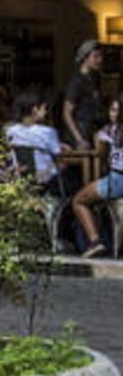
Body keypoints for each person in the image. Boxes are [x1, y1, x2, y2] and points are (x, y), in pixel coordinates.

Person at [4, 87, 105, 256]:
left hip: (24, 183)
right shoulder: (47, 132)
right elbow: (61, 162)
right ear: (35, 109)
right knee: (79, 185)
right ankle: (80, 238)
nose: (45, 113)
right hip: (48, 184)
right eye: (44, 108)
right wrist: (60, 149)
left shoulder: (10, 131)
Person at [66, 96, 121, 258]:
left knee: (78, 200)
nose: (114, 114)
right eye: (112, 110)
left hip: (118, 182)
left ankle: (95, 241)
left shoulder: (110, 131)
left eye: (117, 110)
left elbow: (101, 156)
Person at [63, 39, 105, 150]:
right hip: (79, 133)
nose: (99, 60)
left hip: (92, 131)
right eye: (95, 56)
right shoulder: (77, 80)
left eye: (100, 56)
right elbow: (67, 112)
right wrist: (79, 139)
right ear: (85, 58)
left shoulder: (93, 79)